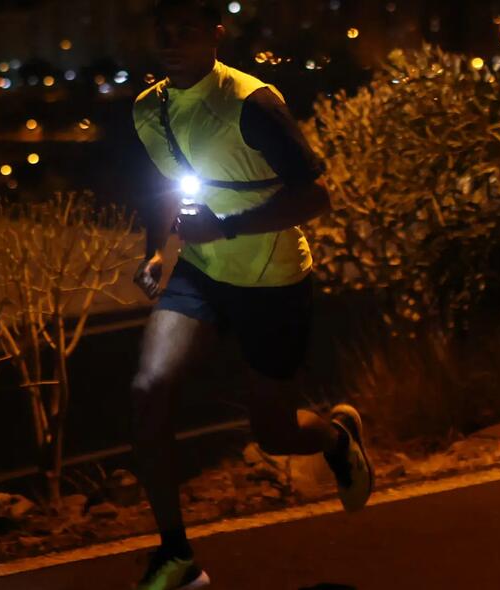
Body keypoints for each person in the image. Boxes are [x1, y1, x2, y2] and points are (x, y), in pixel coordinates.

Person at [125, 1, 373, 588]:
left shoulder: (252, 104)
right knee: (148, 389)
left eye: (186, 26)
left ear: (215, 32)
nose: (171, 37)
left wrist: (227, 227)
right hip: (201, 271)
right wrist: (160, 251)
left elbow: (316, 197)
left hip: (271, 279)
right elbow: (171, 184)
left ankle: (337, 439)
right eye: (163, 25)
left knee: (276, 434)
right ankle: (176, 557)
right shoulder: (147, 109)